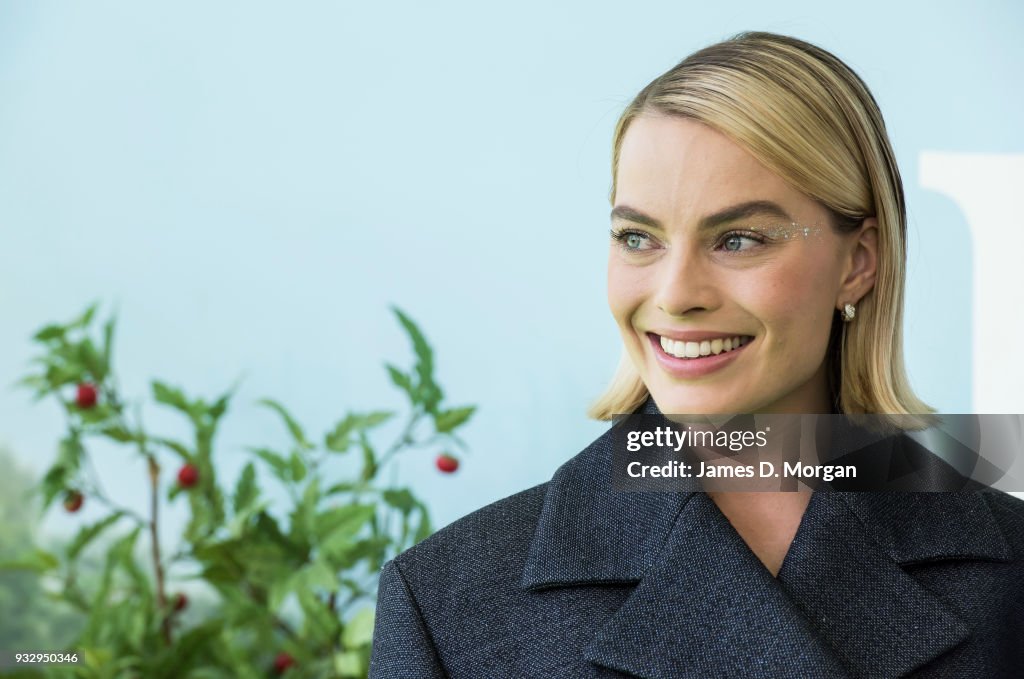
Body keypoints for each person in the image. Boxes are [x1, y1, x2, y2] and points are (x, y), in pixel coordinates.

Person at [369, 31, 1024, 677]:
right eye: (637, 236)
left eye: (738, 239)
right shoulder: (449, 605)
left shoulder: (1009, 571)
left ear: (858, 262)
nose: (676, 293)